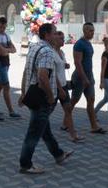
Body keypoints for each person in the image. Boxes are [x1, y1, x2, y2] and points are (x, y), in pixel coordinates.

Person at [18, 22, 71, 174]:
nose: (57, 35)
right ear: (47, 35)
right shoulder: (47, 51)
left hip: (32, 95)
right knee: (34, 133)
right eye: (55, 33)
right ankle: (25, 164)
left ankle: (58, 154)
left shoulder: (34, 47)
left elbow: (26, 71)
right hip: (41, 99)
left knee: (43, 128)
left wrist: (23, 93)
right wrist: (49, 97)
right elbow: (42, 76)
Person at [70, 22, 105, 134]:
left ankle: (94, 126)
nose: (92, 32)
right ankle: (65, 122)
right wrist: (84, 78)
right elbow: (77, 63)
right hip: (80, 77)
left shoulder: (88, 43)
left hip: (89, 77)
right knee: (74, 100)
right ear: (84, 31)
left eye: (93, 30)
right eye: (90, 31)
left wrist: (89, 78)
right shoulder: (79, 44)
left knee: (91, 100)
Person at [51, 30, 82, 143]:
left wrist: (66, 65)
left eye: (63, 38)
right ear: (54, 40)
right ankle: (38, 127)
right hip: (55, 87)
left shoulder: (62, 52)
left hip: (63, 85)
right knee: (47, 111)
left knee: (68, 109)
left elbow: (61, 65)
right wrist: (59, 89)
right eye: (61, 38)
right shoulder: (51, 53)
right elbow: (52, 73)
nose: (63, 40)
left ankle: (73, 135)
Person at [0, 16, 21, 119]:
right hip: (0, 64)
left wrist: (5, 50)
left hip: (6, 63)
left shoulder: (7, 36)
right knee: (6, 87)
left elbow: (15, 49)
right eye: (0, 26)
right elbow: (5, 52)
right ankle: (11, 111)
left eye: (3, 27)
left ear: (6, 26)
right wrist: (7, 50)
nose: (2, 28)